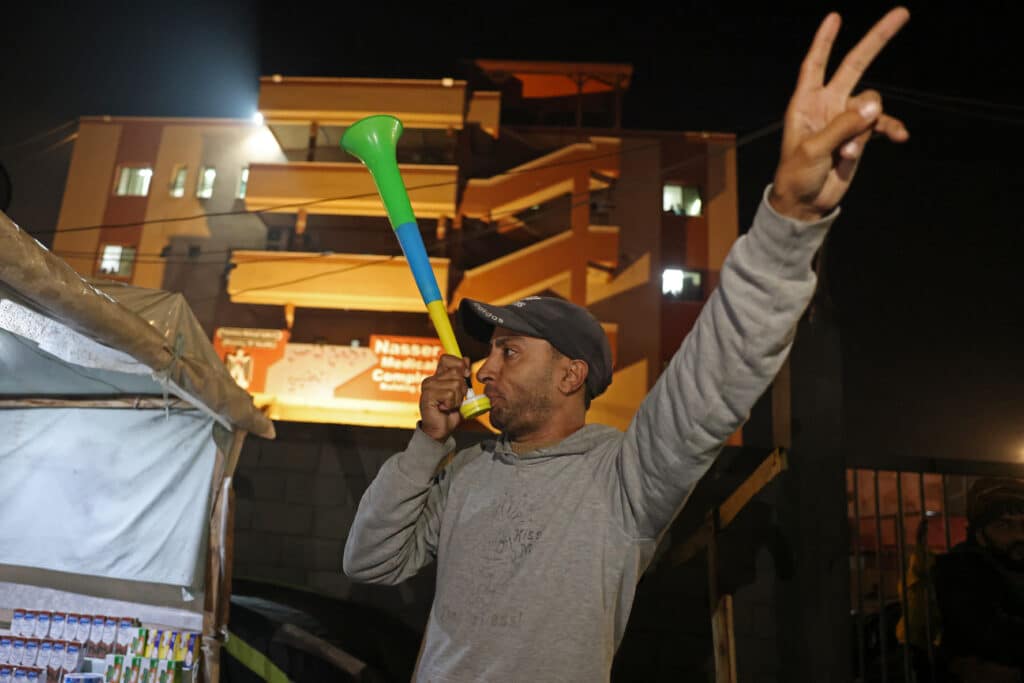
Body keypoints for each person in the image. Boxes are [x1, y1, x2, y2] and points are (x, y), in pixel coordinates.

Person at [343, 8, 911, 681]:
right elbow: (369, 561)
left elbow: (710, 382)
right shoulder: (468, 473)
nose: (482, 368)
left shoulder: (623, 479)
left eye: (508, 351)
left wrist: (787, 225)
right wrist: (427, 442)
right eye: (489, 350)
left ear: (569, 374)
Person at [933, 478, 1024, 683]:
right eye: (1004, 525)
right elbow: (991, 635)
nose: (1019, 535)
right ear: (979, 532)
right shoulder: (959, 567)